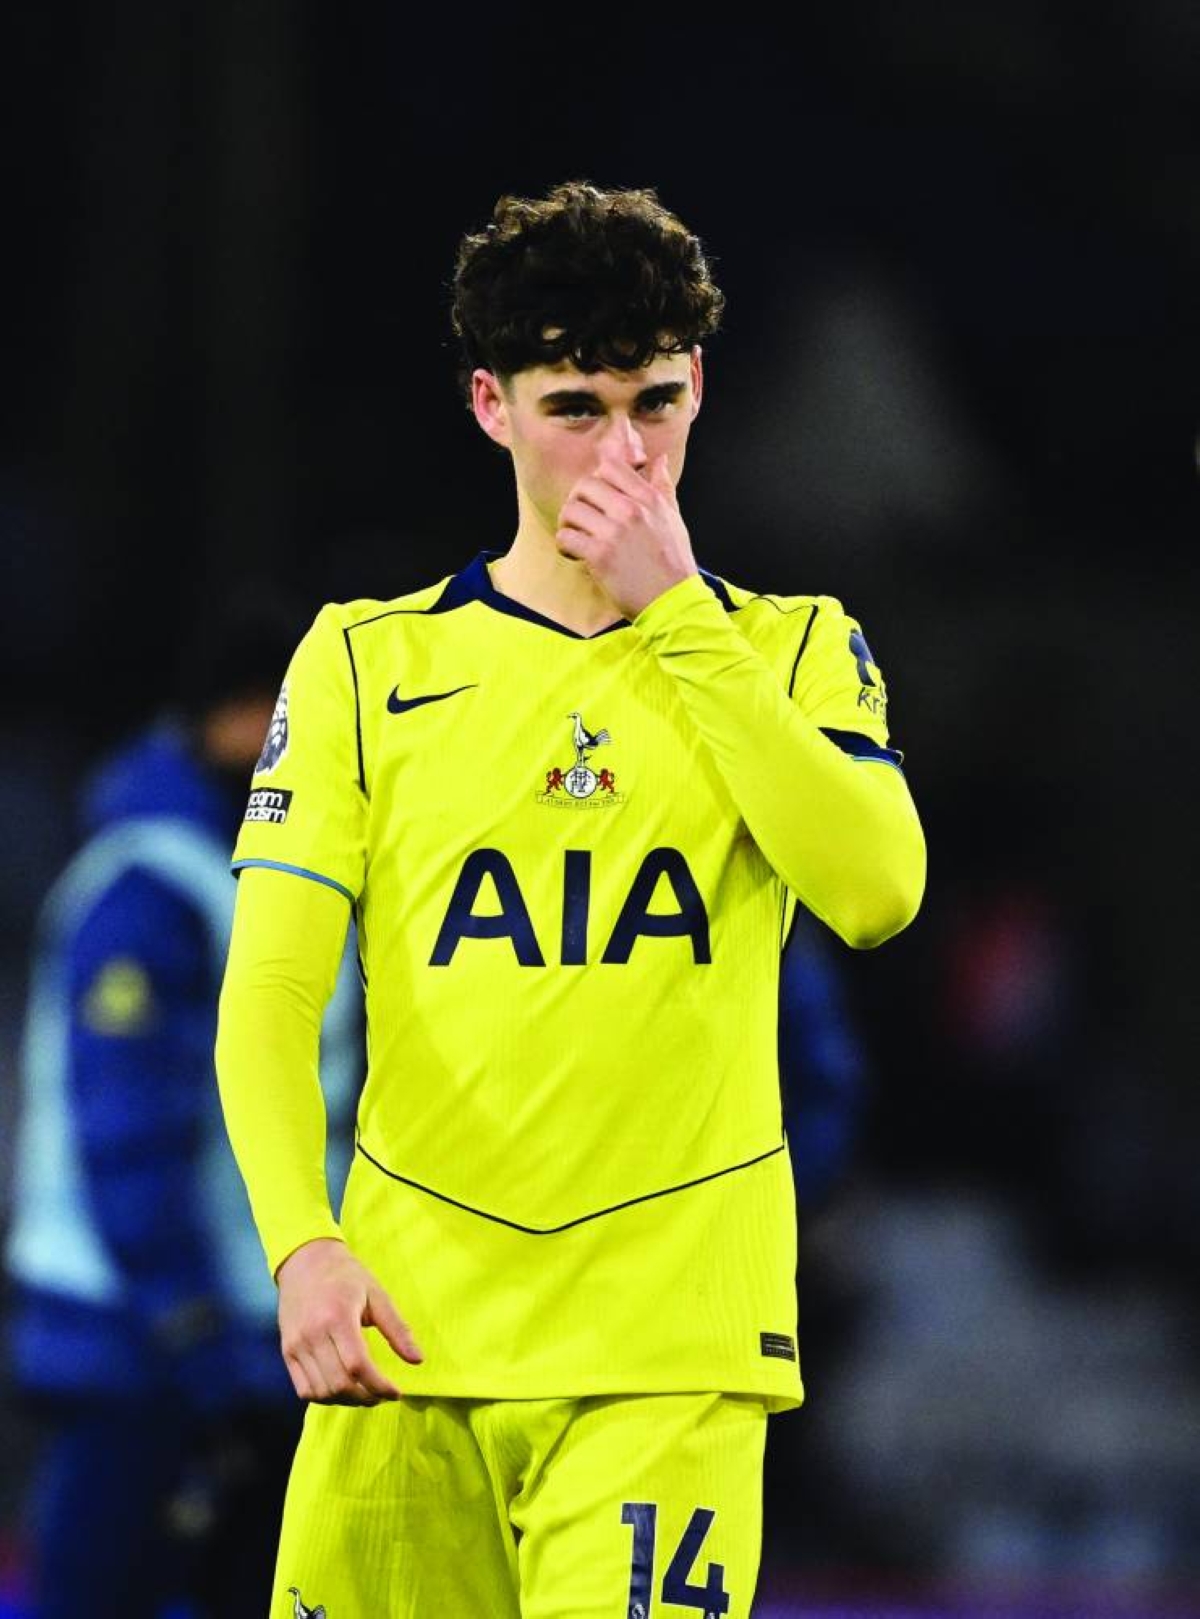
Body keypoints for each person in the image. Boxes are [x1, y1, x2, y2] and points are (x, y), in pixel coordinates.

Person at [215, 180, 926, 1618]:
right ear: (491, 404)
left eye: (655, 401)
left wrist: (677, 616)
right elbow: (274, 995)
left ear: (702, 384)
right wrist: (301, 1243)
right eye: (576, 407)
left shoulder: (790, 651)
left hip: (665, 1350)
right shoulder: (366, 663)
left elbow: (876, 890)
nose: (626, 450)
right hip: (409, 1340)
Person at [5, 601, 361, 1618]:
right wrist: (196, 1327)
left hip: (245, 1330)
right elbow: (129, 1142)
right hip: (142, 1340)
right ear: (243, 714)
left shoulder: (276, 866)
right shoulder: (158, 886)